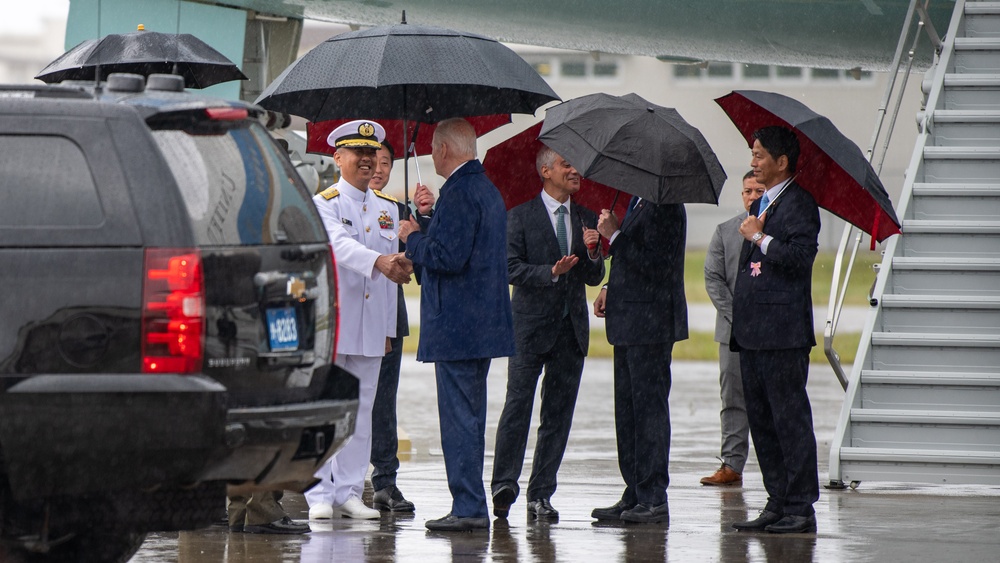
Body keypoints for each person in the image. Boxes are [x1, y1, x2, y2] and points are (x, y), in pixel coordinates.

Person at [397, 117, 516, 532]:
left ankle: (468, 507)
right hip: (479, 325)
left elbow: (449, 258)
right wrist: (428, 219)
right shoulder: (481, 188)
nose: (430, 154)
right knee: (470, 418)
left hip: (459, 327)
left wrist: (412, 235)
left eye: (433, 147)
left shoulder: (462, 191)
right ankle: (470, 503)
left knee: (460, 421)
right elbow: (458, 244)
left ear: (445, 150)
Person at [490, 147, 604, 521]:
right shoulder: (519, 217)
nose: (575, 171)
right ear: (545, 171)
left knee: (557, 415)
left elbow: (593, 277)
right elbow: (508, 268)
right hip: (528, 328)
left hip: (570, 332)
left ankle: (541, 494)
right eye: (566, 165)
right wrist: (549, 273)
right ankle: (504, 484)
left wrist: (593, 252)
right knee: (517, 407)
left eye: (576, 165)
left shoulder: (587, 217)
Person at [306, 119, 412, 521]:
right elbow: (338, 247)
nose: (367, 160)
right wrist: (381, 261)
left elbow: (389, 283)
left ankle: (350, 492)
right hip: (335, 323)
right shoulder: (324, 202)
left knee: (362, 410)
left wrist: (387, 329)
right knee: (327, 406)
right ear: (338, 158)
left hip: (371, 328)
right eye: (358, 153)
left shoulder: (388, 208)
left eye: (372, 153)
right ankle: (319, 491)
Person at [730, 126, 821, 534]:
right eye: (753, 153)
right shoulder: (763, 203)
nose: (754, 162)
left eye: (760, 155)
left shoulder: (800, 204)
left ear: (781, 162)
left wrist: (760, 237)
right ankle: (777, 499)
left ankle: (799, 506)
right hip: (753, 333)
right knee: (762, 421)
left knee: (789, 419)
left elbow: (800, 258)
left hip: (782, 333)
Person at [591, 192, 688, 524]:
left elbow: (656, 265)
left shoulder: (667, 206)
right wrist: (608, 285)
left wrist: (614, 235)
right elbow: (631, 260)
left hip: (652, 325)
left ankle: (653, 496)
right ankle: (634, 490)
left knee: (649, 413)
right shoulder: (637, 201)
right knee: (628, 413)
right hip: (629, 321)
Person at [367, 140, 434, 513]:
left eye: (386, 162)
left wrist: (423, 218)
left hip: (390, 318)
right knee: (353, 400)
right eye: (371, 161)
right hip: (354, 319)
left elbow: (421, 263)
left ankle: (385, 482)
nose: (378, 168)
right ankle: (334, 482)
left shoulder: (399, 210)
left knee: (384, 404)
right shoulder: (339, 206)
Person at [700, 171, 766, 487]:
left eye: (759, 190)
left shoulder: (777, 231)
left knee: (769, 400)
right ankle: (731, 465)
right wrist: (736, 316)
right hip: (731, 333)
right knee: (732, 399)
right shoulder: (725, 231)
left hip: (769, 333)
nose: (752, 196)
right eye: (747, 190)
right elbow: (713, 278)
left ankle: (775, 468)